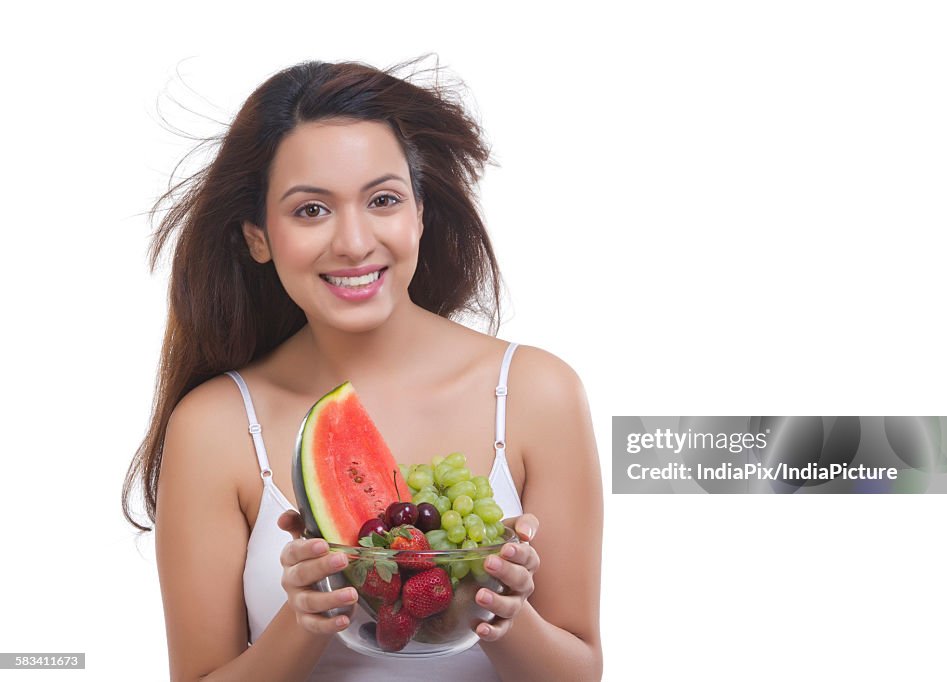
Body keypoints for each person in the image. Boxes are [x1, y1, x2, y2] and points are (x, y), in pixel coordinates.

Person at [123, 58, 603, 681]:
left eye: (382, 200)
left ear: (420, 213)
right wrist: (307, 618)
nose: (353, 241)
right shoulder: (215, 425)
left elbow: (581, 670)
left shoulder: (538, 392)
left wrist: (504, 614)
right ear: (258, 237)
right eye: (311, 210)